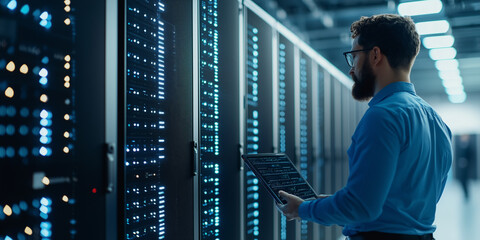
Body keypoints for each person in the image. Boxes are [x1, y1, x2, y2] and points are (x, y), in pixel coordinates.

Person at [277, 14, 453, 240]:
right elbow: (399, 209)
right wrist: (334, 203)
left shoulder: (383, 116)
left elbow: (363, 208)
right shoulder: (439, 123)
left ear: (376, 55)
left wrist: (301, 209)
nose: (351, 69)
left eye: (354, 56)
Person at [455, 134, 474, 200]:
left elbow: (472, 157)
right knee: (462, 180)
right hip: (461, 167)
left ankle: (467, 194)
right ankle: (465, 193)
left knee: (466, 180)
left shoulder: (469, 145)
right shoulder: (460, 145)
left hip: (467, 167)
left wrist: (467, 162)